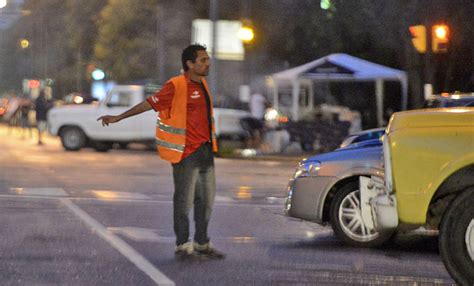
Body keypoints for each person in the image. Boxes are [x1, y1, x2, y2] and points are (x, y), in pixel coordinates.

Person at [97, 44, 225, 260]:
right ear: (190, 64)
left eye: (207, 59)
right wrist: (119, 117)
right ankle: (183, 246)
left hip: (205, 150)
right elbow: (149, 104)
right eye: (203, 60)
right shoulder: (176, 86)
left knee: (206, 200)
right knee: (184, 201)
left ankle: (202, 244)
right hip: (186, 153)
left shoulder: (202, 84)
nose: (207, 63)